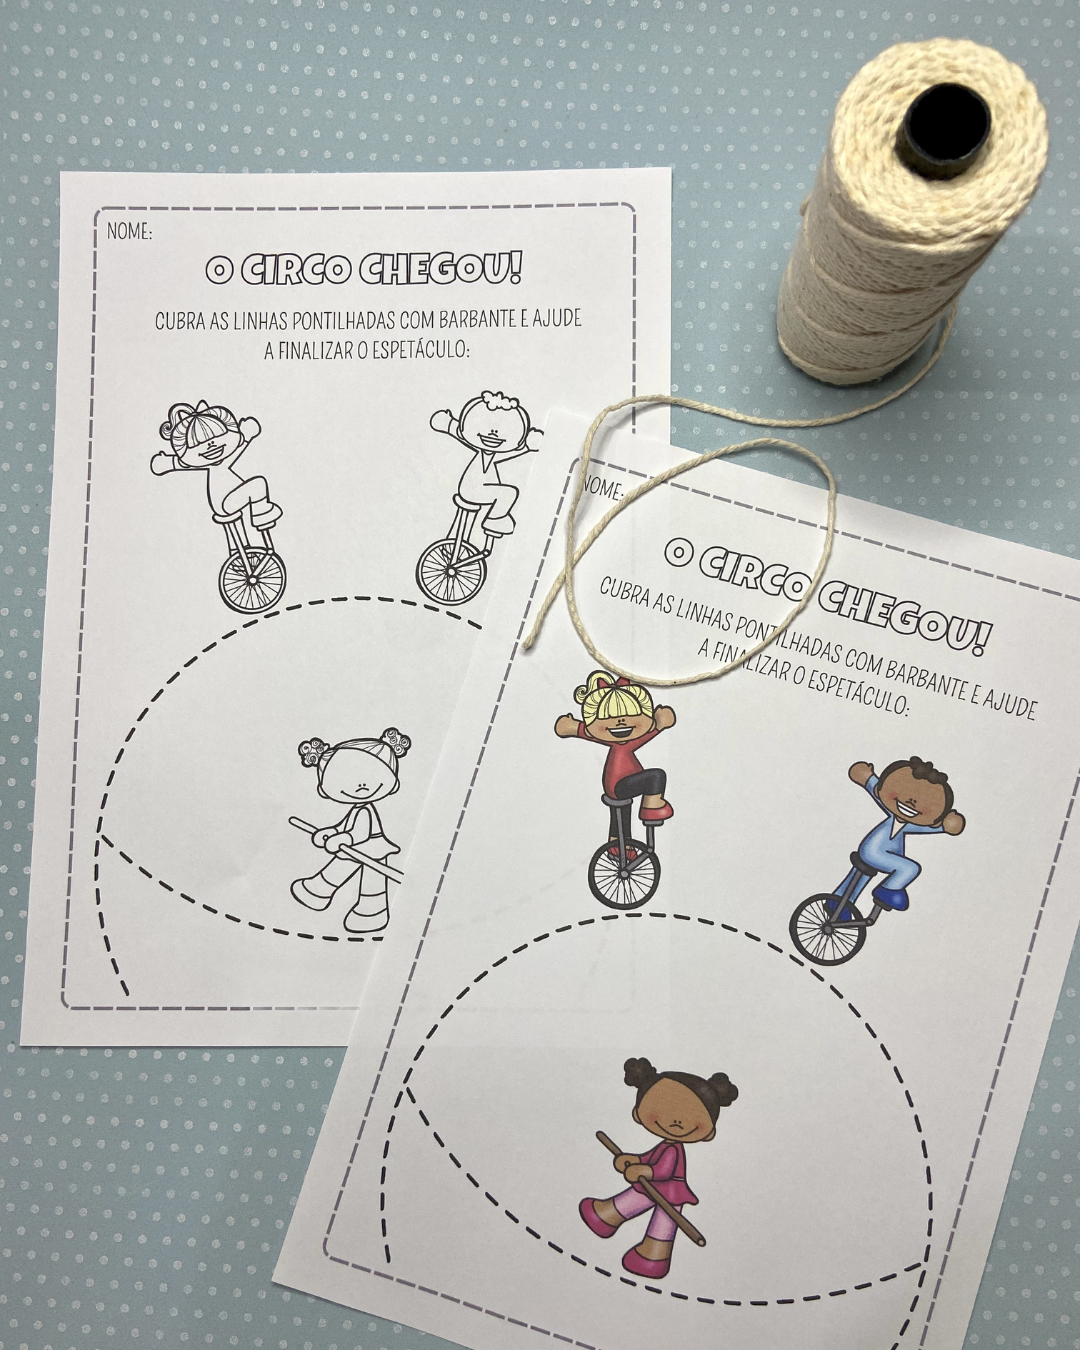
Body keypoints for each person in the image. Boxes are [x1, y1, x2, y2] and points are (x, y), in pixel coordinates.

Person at [579, 1056, 739, 1279]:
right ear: (638, 1113)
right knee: (637, 1201)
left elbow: (662, 1170)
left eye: (689, 1114)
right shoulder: (666, 1146)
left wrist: (642, 1170)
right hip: (656, 1187)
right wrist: (630, 1160)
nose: (677, 1121)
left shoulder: (673, 1149)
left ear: (708, 1132)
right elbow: (648, 1159)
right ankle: (606, 1218)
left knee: (661, 1224)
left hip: (670, 1192)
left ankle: (651, 1257)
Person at [291, 728, 411, 934]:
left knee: (370, 881)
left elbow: (358, 834)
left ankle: (367, 911)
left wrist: (339, 839)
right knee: (352, 868)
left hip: (370, 847)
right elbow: (344, 826)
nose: (361, 784)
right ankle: (321, 891)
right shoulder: (357, 809)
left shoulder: (364, 810)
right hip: (360, 847)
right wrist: (328, 833)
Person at [833, 756, 965, 915]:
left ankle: (837, 904)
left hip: (883, 854)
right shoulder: (889, 804)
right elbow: (876, 788)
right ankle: (889, 889)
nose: (911, 801)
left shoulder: (913, 824)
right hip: (873, 851)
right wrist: (867, 777)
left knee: (858, 878)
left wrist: (945, 825)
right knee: (910, 868)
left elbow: (929, 827)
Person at [555, 671, 676, 827]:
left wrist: (659, 725)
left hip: (620, 785)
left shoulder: (627, 743)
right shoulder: (620, 743)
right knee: (656, 776)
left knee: (621, 820)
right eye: (607, 718)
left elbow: (645, 735)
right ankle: (652, 807)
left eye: (631, 715)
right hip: (619, 785)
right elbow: (588, 732)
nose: (621, 722)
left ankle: (616, 842)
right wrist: (574, 728)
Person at [153, 400, 282, 529]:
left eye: (218, 436)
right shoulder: (205, 463)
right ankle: (262, 518)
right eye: (198, 444)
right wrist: (166, 463)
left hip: (228, 499)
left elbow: (237, 450)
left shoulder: (223, 462)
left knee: (257, 485)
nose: (211, 444)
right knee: (258, 484)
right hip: (224, 502)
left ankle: (262, 521)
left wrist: (247, 436)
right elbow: (180, 464)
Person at [428, 390, 542, 536]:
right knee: (508, 493)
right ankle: (494, 519)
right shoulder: (483, 450)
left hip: (480, 489)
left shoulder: (495, 455)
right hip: (472, 489)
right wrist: (447, 423)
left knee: (506, 493)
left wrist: (528, 446)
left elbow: (513, 452)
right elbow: (459, 432)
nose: (493, 432)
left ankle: (491, 522)